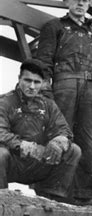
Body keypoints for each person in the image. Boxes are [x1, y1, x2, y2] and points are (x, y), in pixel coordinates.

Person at [36, 0, 92, 202]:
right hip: (64, 86)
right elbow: (44, 61)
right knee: (59, 136)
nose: (80, 3)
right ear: (67, 1)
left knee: (88, 142)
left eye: (85, 0)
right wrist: (45, 91)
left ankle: (83, 193)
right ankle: (51, 188)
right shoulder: (54, 27)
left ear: (88, 4)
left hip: (90, 90)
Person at [0, 59, 81, 202]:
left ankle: (51, 200)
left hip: (38, 164)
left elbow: (64, 130)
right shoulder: (5, 102)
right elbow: (1, 132)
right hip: (13, 164)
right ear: (19, 79)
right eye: (27, 80)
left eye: (37, 82)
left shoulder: (48, 105)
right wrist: (24, 146)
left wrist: (58, 142)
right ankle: (2, 199)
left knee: (73, 151)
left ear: (43, 83)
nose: (31, 86)